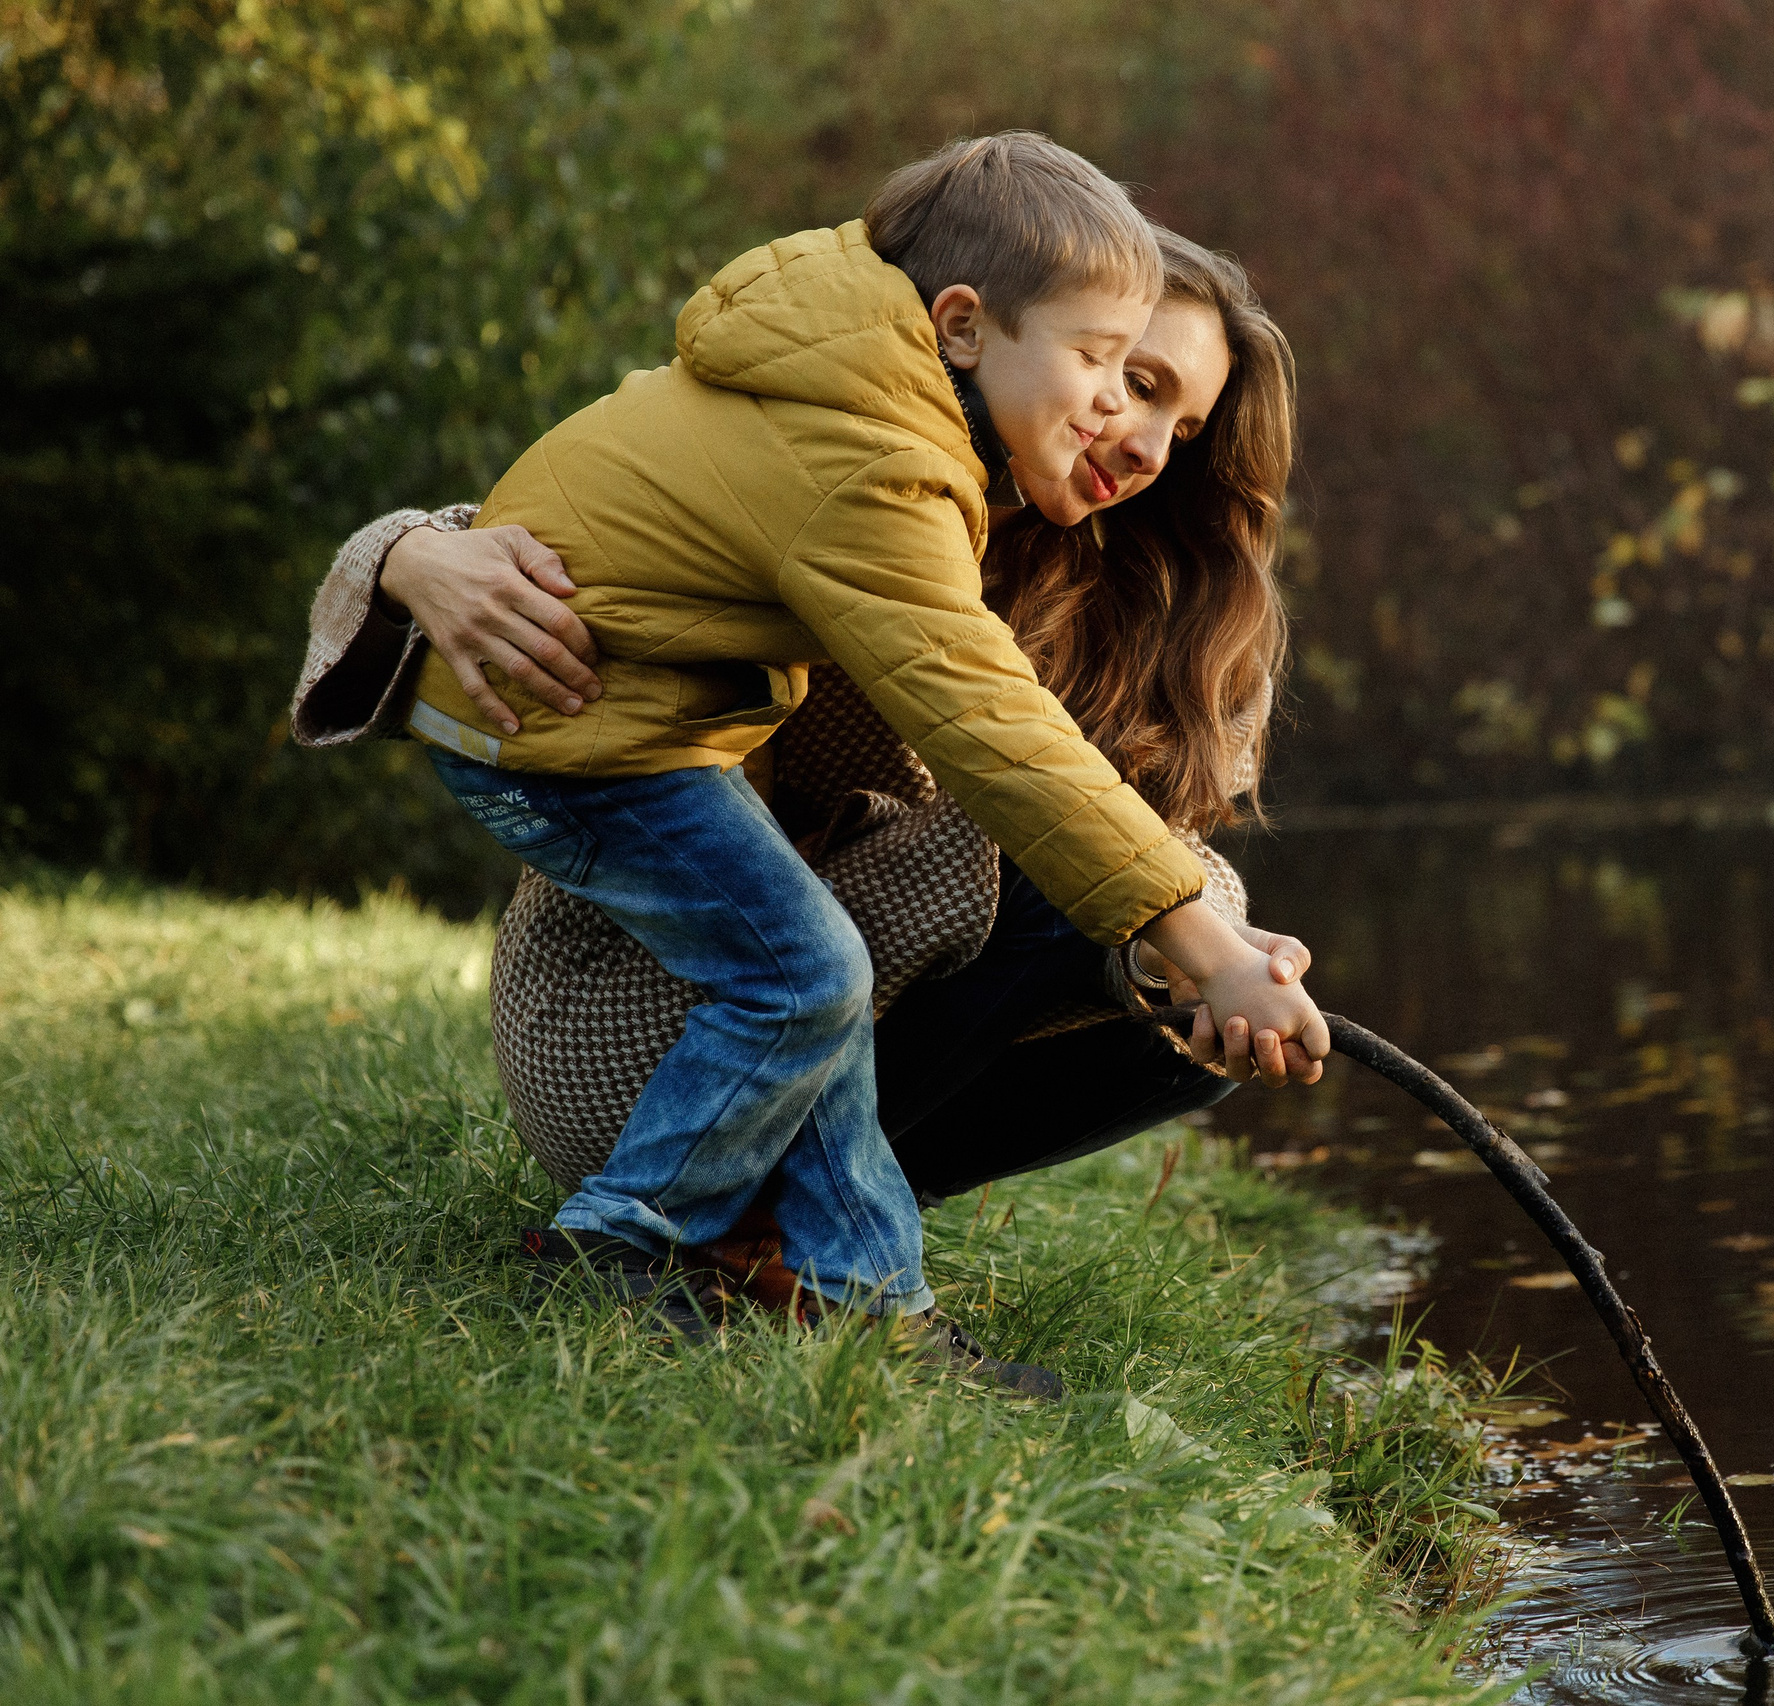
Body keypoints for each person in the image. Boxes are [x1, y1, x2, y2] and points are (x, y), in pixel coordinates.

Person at [305, 133, 1331, 1391]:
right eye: (1120, 369)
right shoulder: (877, 463)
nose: (1138, 428)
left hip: (821, 989)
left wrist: (1217, 944)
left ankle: (841, 1288)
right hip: (631, 1017)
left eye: (1178, 413)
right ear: (975, 331)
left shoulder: (1110, 581)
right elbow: (594, 528)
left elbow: (1137, 829)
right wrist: (409, 549)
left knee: (1143, 1002)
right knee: (881, 923)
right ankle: (630, 1242)